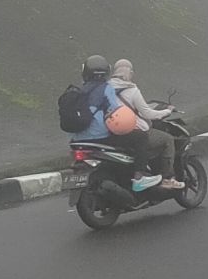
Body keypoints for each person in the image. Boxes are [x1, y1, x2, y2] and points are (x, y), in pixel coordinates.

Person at [68, 56, 162, 192]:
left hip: (78, 139)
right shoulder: (106, 88)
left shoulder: (79, 91)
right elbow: (116, 111)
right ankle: (139, 177)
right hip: (101, 136)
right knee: (140, 137)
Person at [108, 59, 184, 190]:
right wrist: (167, 111)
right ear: (130, 73)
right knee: (168, 139)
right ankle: (167, 178)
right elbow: (147, 113)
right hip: (136, 131)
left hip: (115, 133)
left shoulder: (107, 88)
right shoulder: (132, 90)